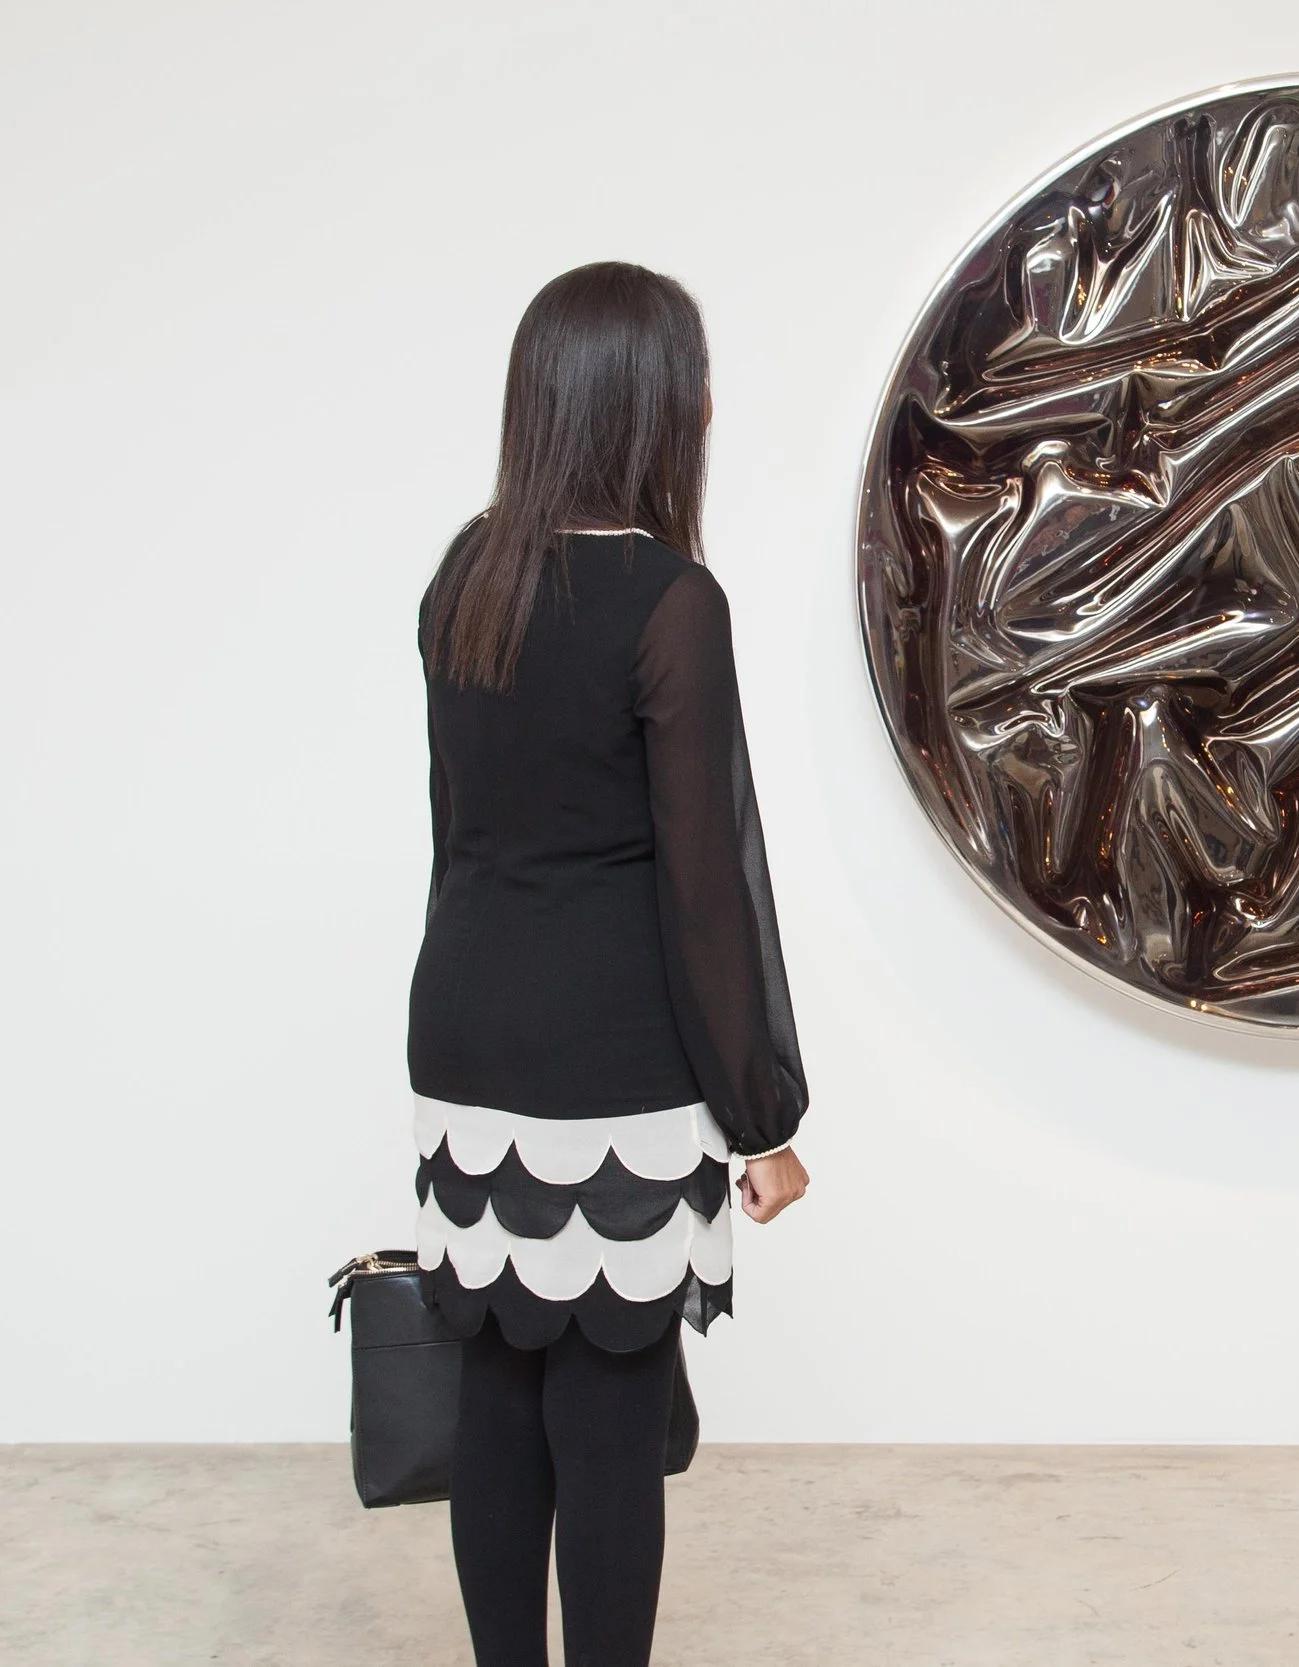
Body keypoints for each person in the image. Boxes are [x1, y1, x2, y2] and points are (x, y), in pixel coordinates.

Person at [408, 261, 811, 1667]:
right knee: (608, 1423)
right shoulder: (671, 601)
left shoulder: (465, 576)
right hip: (612, 1063)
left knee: (495, 1403)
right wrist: (762, 1119)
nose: (708, 407)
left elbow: (457, 830)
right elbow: (705, 890)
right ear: (650, 406)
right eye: (694, 382)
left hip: (464, 1033)